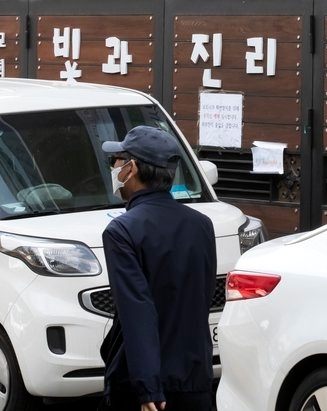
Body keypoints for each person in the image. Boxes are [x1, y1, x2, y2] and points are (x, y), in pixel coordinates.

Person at [99, 125, 217, 411]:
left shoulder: (122, 231)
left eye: (117, 161)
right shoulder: (201, 225)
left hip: (145, 384)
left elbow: (136, 310)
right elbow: (200, 301)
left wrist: (147, 385)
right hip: (195, 377)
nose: (113, 168)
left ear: (132, 168)